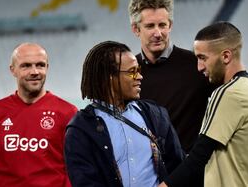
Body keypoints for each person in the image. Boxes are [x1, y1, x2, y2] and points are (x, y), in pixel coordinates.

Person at [128, 0, 248, 182]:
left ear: (170, 25)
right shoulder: (127, 73)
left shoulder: (199, 66)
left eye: (162, 25)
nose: (158, 33)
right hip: (150, 175)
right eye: (150, 26)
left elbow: (243, 105)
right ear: (136, 29)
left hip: (193, 175)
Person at [159, 21, 248, 187]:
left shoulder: (227, 93)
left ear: (225, 56)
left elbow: (198, 157)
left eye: (203, 58)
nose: (199, 67)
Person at [64, 41, 184, 187]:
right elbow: (85, 182)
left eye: (138, 70)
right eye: (132, 72)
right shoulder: (81, 129)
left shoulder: (156, 114)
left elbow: (178, 166)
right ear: (108, 77)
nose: (140, 77)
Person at [0, 43, 77, 187]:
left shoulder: (68, 112)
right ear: (13, 70)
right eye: (26, 66)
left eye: (40, 65)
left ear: (47, 68)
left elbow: (73, 169)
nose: (34, 71)